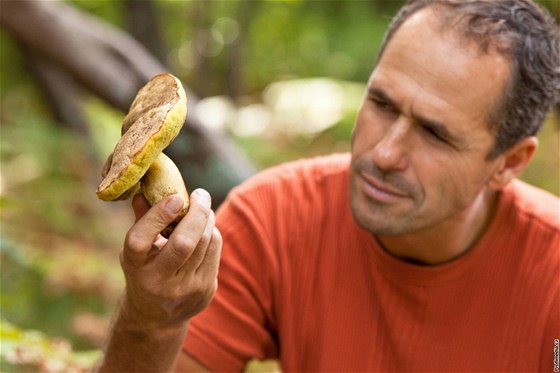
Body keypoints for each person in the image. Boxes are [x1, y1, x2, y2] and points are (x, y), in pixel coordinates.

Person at [96, 0, 560, 371]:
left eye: (435, 133)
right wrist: (151, 319)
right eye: (381, 103)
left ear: (509, 162)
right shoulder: (274, 218)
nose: (384, 154)